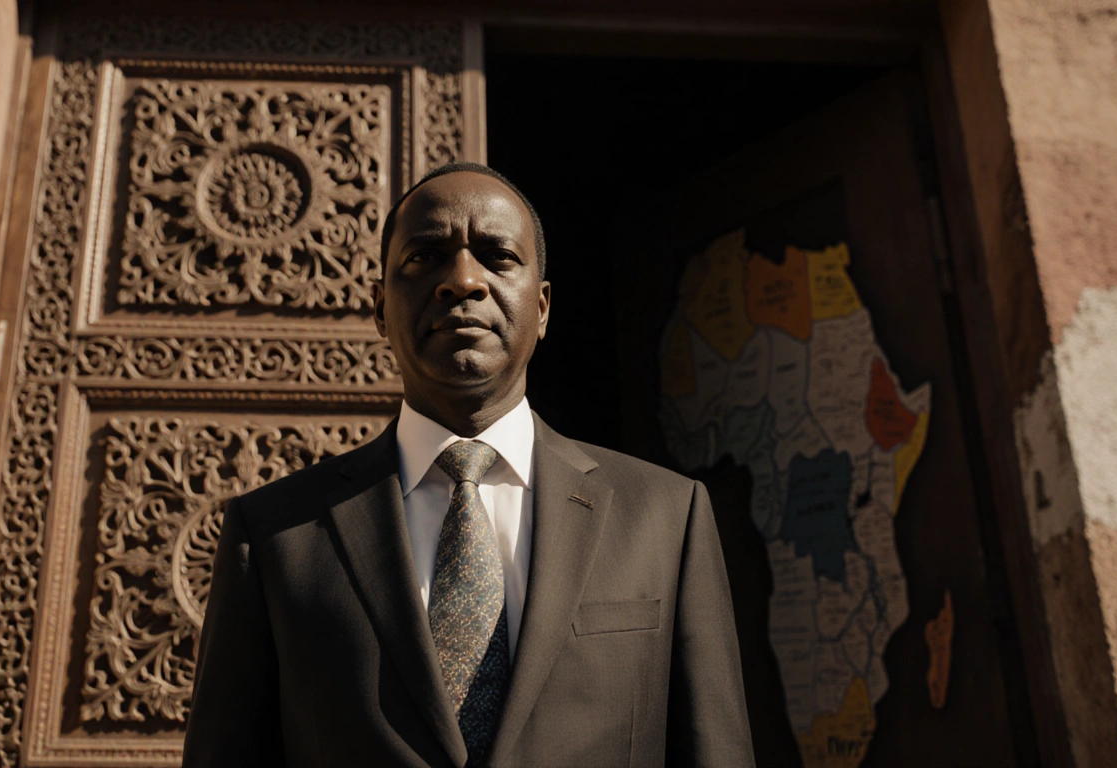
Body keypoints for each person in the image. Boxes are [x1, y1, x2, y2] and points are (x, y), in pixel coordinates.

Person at [183, 163, 754, 767]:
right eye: (425, 257)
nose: (461, 280)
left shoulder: (666, 517)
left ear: (542, 306)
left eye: (497, 256)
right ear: (380, 308)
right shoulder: (277, 534)